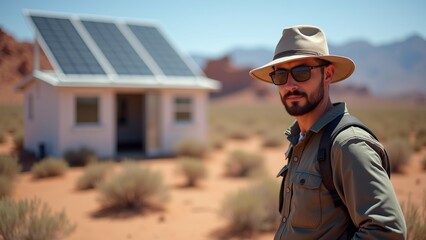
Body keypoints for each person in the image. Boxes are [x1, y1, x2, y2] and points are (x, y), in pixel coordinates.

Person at [249, 25, 407, 239]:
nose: (290, 84)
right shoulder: (301, 139)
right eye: (280, 75)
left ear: (328, 74)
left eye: (301, 72)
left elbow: (387, 232)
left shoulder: (348, 144)